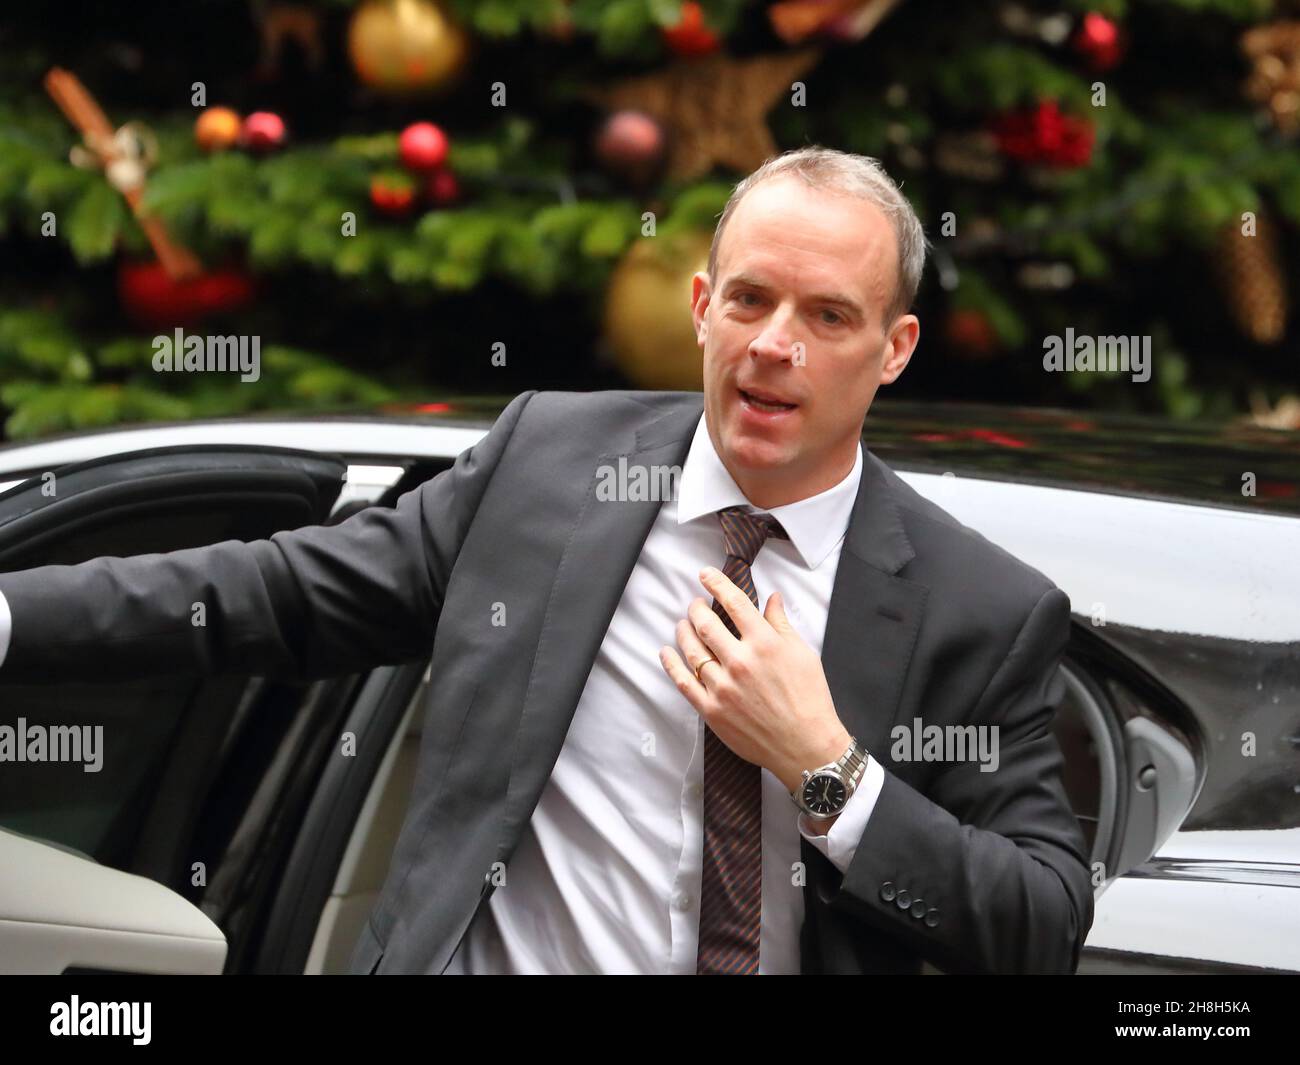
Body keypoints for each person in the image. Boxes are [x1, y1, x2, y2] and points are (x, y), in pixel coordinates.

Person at [0, 146, 1094, 975]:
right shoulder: (549, 467)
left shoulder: (977, 609)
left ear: (892, 348)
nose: (775, 344)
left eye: (828, 315)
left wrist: (823, 769)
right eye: (752, 299)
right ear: (703, 307)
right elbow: (271, 596)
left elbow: (1039, 919)